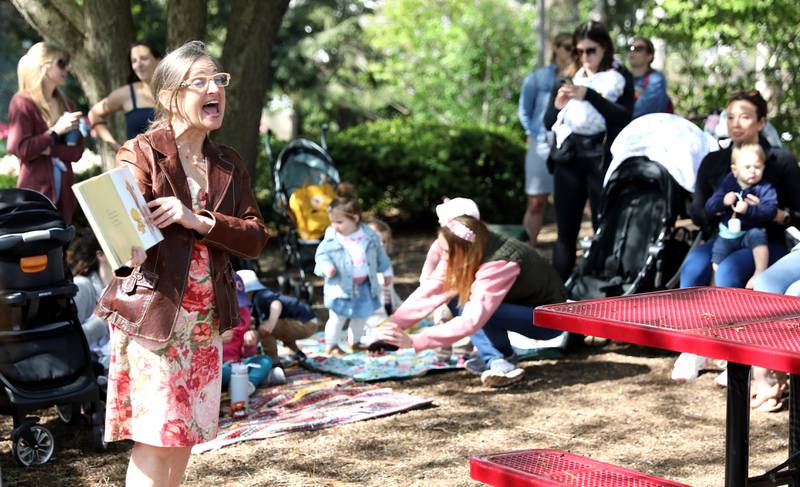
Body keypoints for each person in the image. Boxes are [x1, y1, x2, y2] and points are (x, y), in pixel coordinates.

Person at [95, 41, 270, 486]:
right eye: (202, 81)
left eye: (219, 79)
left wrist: (201, 221)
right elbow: (123, 222)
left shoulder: (228, 162)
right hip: (156, 319)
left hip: (205, 321)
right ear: (171, 95)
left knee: (184, 439)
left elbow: (254, 237)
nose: (216, 88)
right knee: (157, 439)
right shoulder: (141, 152)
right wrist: (128, 244)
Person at [673, 89, 800, 383]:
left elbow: (797, 212)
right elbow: (697, 209)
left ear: (761, 122)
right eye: (730, 117)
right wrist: (718, 208)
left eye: (745, 116)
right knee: (693, 267)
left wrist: (774, 214)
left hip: (767, 241)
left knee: (730, 270)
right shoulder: (715, 161)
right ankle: (693, 346)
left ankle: (734, 352)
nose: (736, 123)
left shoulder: (778, 160)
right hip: (722, 236)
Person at [371, 198, 566, 388]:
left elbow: (472, 319)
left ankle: (499, 360)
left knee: (473, 307)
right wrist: (389, 329)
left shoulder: (499, 263)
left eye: (447, 253)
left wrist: (414, 341)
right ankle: (498, 358)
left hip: (549, 319)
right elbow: (430, 292)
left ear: (465, 251)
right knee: (458, 299)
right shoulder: (465, 250)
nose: (444, 258)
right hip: (515, 309)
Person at [543, 20, 633, 281]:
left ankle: (602, 286)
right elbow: (547, 122)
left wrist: (589, 95)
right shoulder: (569, 75)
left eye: (590, 50)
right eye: (579, 51)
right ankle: (556, 291)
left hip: (600, 156)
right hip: (568, 157)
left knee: (602, 226)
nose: (584, 57)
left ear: (604, 48)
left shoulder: (619, 76)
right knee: (565, 232)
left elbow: (623, 117)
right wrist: (559, 105)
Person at [7, 42, 84, 224]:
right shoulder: (22, 103)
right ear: (45, 65)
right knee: (38, 250)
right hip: (35, 195)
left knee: (61, 249)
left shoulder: (68, 105)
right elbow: (19, 148)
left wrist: (48, 150)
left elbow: (77, 152)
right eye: (61, 63)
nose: (67, 68)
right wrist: (56, 132)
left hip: (65, 195)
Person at [314, 185, 392, 356]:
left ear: (355, 218)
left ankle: (355, 342)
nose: (335, 226)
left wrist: (386, 271)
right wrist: (326, 266)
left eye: (340, 222)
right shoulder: (332, 236)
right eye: (332, 221)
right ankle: (332, 344)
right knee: (337, 317)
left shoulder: (368, 235)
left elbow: (380, 255)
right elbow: (321, 255)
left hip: (364, 284)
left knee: (361, 315)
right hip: (341, 286)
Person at [518, 32, 573, 245]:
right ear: (556, 48)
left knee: (568, 204)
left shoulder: (583, 77)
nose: (571, 52)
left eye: (574, 48)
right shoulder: (537, 78)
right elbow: (524, 110)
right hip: (541, 142)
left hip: (569, 144)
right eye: (567, 47)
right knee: (536, 203)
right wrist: (531, 133)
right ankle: (523, 254)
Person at [705, 143, 777, 287]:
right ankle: (716, 289)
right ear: (735, 170)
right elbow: (709, 206)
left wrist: (749, 209)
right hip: (728, 234)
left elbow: (771, 211)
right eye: (747, 167)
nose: (753, 171)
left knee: (759, 237)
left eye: (757, 167)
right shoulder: (728, 184)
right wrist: (723, 201)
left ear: (763, 167)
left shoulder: (765, 187)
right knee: (717, 260)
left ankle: (760, 272)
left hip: (750, 232)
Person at [238, 269, 318, 385]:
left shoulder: (260, 296)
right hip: (307, 321)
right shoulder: (257, 300)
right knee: (276, 328)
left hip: (305, 323)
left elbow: (276, 304)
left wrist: (271, 322)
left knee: (264, 330)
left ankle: (273, 363)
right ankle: (296, 353)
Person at [89, 40, 162, 148]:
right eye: (134, 61)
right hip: (140, 163)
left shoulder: (174, 90)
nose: (139, 64)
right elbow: (94, 113)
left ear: (158, 60)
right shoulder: (127, 93)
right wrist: (114, 146)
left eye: (144, 58)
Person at [66, 231, 113, 370]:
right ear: (101, 255)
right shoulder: (82, 287)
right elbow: (70, 341)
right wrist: (103, 320)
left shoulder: (127, 288)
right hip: (92, 374)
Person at [221, 274, 273, 394]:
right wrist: (217, 339)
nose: (236, 310)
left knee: (265, 360)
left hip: (237, 366)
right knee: (223, 371)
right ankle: (260, 379)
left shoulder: (243, 315)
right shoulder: (209, 319)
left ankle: (247, 384)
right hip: (217, 369)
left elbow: (246, 355)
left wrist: (249, 345)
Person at [627, 36, 671, 118]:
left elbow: (646, 111)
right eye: (630, 48)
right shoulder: (621, 78)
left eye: (639, 49)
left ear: (649, 56)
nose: (632, 51)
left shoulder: (656, 79)